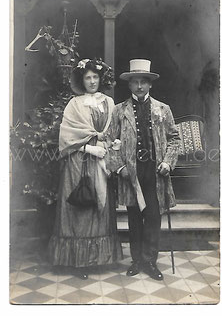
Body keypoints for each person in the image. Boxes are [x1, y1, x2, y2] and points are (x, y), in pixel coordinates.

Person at [105, 59, 180, 281]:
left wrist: (167, 162)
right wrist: (119, 168)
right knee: (134, 217)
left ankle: (150, 261)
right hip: (132, 174)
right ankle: (137, 260)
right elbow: (109, 141)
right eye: (135, 82)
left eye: (143, 82)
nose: (139, 86)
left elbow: (174, 138)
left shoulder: (162, 109)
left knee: (153, 217)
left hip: (155, 172)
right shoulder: (120, 111)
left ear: (149, 85)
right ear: (129, 85)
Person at [48, 59, 123, 279]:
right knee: (80, 207)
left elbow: (112, 130)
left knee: (100, 206)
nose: (92, 81)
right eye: (87, 78)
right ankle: (77, 262)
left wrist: (112, 143)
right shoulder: (74, 104)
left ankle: (99, 260)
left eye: (95, 77)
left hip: (102, 160)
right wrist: (89, 149)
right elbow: (67, 136)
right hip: (78, 162)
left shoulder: (108, 102)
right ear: (82, 80)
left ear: (101, 79)